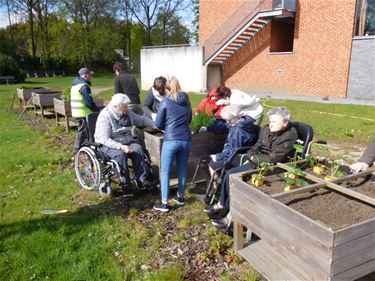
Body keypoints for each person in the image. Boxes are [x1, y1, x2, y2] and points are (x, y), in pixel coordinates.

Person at [204, 107, 298, 228]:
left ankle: (230, 218)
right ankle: (223, 204)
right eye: (270, 121)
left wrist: (253, 158)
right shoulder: (265, 129)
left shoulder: (290, 135)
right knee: (229, 173)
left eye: (274, 121)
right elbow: (255, 147)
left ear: (285, 123)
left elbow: (274, 158)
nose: (271, 124)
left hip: (270, 168)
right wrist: (251, 156)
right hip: (256, 161)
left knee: (238, 182)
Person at [94, 93, 155, 192]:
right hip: (108, 144)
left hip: (126, 141)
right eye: (124, 106)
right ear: (116, 106)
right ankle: (125, 183)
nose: (127, 108)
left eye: (127, 106)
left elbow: (140, 120)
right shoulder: (105, 116)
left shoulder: (127, 112)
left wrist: (155, 124)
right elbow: (103, 138)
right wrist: (121, 147)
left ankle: (141, 180)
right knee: (121, 155)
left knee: (138, 149)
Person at [153, 76, 192, 212]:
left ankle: (164, 203)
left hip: (171, 140)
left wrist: (166, 125)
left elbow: (157, 124)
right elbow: (190, 119)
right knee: (182, 169)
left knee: (165, 171)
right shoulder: (187, 101)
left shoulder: (165, 102)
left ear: (167, 89)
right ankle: (180, 197)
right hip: (186, 139)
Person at [207, 105, 259, 188]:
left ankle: (216, 188)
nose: (226, 122)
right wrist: (208, 128)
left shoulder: (238, 131)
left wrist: (217, 156)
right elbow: (225, 126)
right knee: (212, 160)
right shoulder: (241, 123)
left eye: (227, 120)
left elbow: (234, 150)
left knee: (212, 165)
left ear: (231, 120)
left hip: (235, 158)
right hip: (237, 154)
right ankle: (218, 184)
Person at [71, 67, 100, 155]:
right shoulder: (84, 86)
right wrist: (97, 111)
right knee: (83, 131)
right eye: (90, 75)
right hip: (82, 113)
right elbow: (89, 102)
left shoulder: (76, 84)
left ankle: (83, 147)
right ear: (85, 76)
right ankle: (77, 149)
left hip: (77, 112)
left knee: (85, 131)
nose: (91, 76)